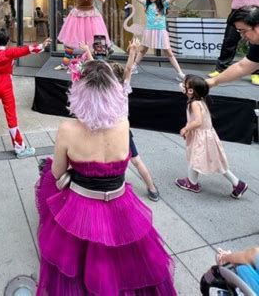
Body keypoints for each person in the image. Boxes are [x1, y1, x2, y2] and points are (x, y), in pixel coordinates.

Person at [35, 60, 176, 294]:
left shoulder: (67, 129)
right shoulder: (123, 123)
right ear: (113, 91)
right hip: (121, 203)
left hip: (79, 207)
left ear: (78, 92)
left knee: (75, 271)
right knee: (125, 268)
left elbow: (57, 173)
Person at [79, 38, 160, 202]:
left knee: (104, 158)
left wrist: (88, 51)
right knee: (136, 160)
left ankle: (105, 186)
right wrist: (132, 52)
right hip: (122, 132)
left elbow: (96, 67)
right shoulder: (123, 88)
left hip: (105, 130)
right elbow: (129, 68)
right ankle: (152, 188)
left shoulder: (105, 90)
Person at [0, 26, 50, 158]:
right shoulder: (9, 52)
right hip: (6, 86)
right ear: (8, 40)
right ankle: (20, 148)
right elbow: (28, 49)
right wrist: (43, 45)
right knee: (11, 116)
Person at [175, 75, 247, 198]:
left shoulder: (194, 104)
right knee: (210, 160)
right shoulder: (200, 99)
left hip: (201, 137)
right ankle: (236, 183)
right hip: (206, 135)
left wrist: (186, 129)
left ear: (191, 90)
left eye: (185, 86)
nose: (182, 86)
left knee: (197, 158)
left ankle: (193, 183)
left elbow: (197, 121)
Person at [119, 0, 194, 80]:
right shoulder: (146, 4)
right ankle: (134, 67)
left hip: (160, 31)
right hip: (149, 30)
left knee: (169, 52)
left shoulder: (164, 4)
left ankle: (180, 73)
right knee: (142, 50)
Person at [42, 0, 110, 70]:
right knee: (70, 40)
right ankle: (65, 64)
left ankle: (100, 64)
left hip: (91, 15)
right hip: (77, 15)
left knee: (98, 39)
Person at [209, 0, 259, 86]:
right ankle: (221, 68)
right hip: (236, 15)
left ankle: (257, 74)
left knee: (256, 43)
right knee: (229, 41)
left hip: (254, 15)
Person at [207, 5, 259, 88]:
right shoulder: (258, 44)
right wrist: (213, 82)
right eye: (239, 31)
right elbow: (242, 67)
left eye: (243, 31)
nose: (242, 36)